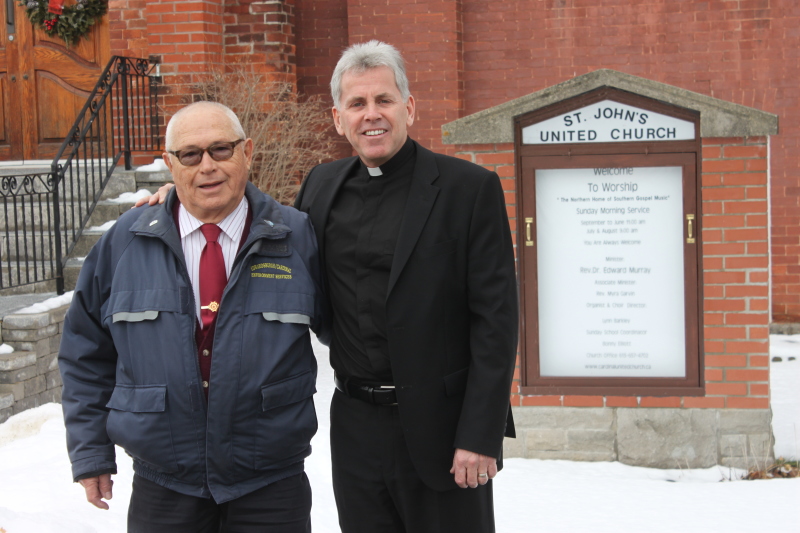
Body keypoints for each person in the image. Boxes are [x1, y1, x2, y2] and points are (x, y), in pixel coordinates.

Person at [141, 40, 518, 533]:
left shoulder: (469, 189)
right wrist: (184, 193)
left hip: (444, 431)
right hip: (356, 425)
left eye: (383, 100)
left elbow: (496, 320)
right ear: (338, 118)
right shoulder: (322, 185)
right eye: (357, 104)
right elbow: (258, 221)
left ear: (408, 108)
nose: (371, 115)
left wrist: (480, 433)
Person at [60, 101, 327, 532]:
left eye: (221, 149)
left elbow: (354, 333)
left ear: (248, 152)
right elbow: (84, 354)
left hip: (271, 487)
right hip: (165, 487)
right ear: (170, 164)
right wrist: (91, 452)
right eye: (190, 155)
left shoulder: (297, 237)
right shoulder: (123, 246)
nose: (207, 166)